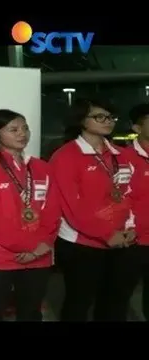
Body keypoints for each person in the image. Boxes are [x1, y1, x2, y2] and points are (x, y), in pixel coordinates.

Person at [0, 109, 61, 322]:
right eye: (13, 129)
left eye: (25, 128)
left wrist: (43, 243)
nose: (22, 133)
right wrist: (28, 246)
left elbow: (53, 209)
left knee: (31, 312)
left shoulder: (41, 167)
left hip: (40, 254)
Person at [49, 98, 135, 321]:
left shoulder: (121, 154)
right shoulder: (66, 156)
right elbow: (72, 207)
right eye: (99, 116)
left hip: (121, 241)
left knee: (115, 302)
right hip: (81, 244)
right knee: (79, 302)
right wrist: (106, 234)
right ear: (81, 120)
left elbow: (128, 195)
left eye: (110, 117)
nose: (107, 121)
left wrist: (130, 226)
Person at [121, 103, 149, 320]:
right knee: (120, 294)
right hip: (133, 241)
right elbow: (120, 198)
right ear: (137, 128)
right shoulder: (123, 158)